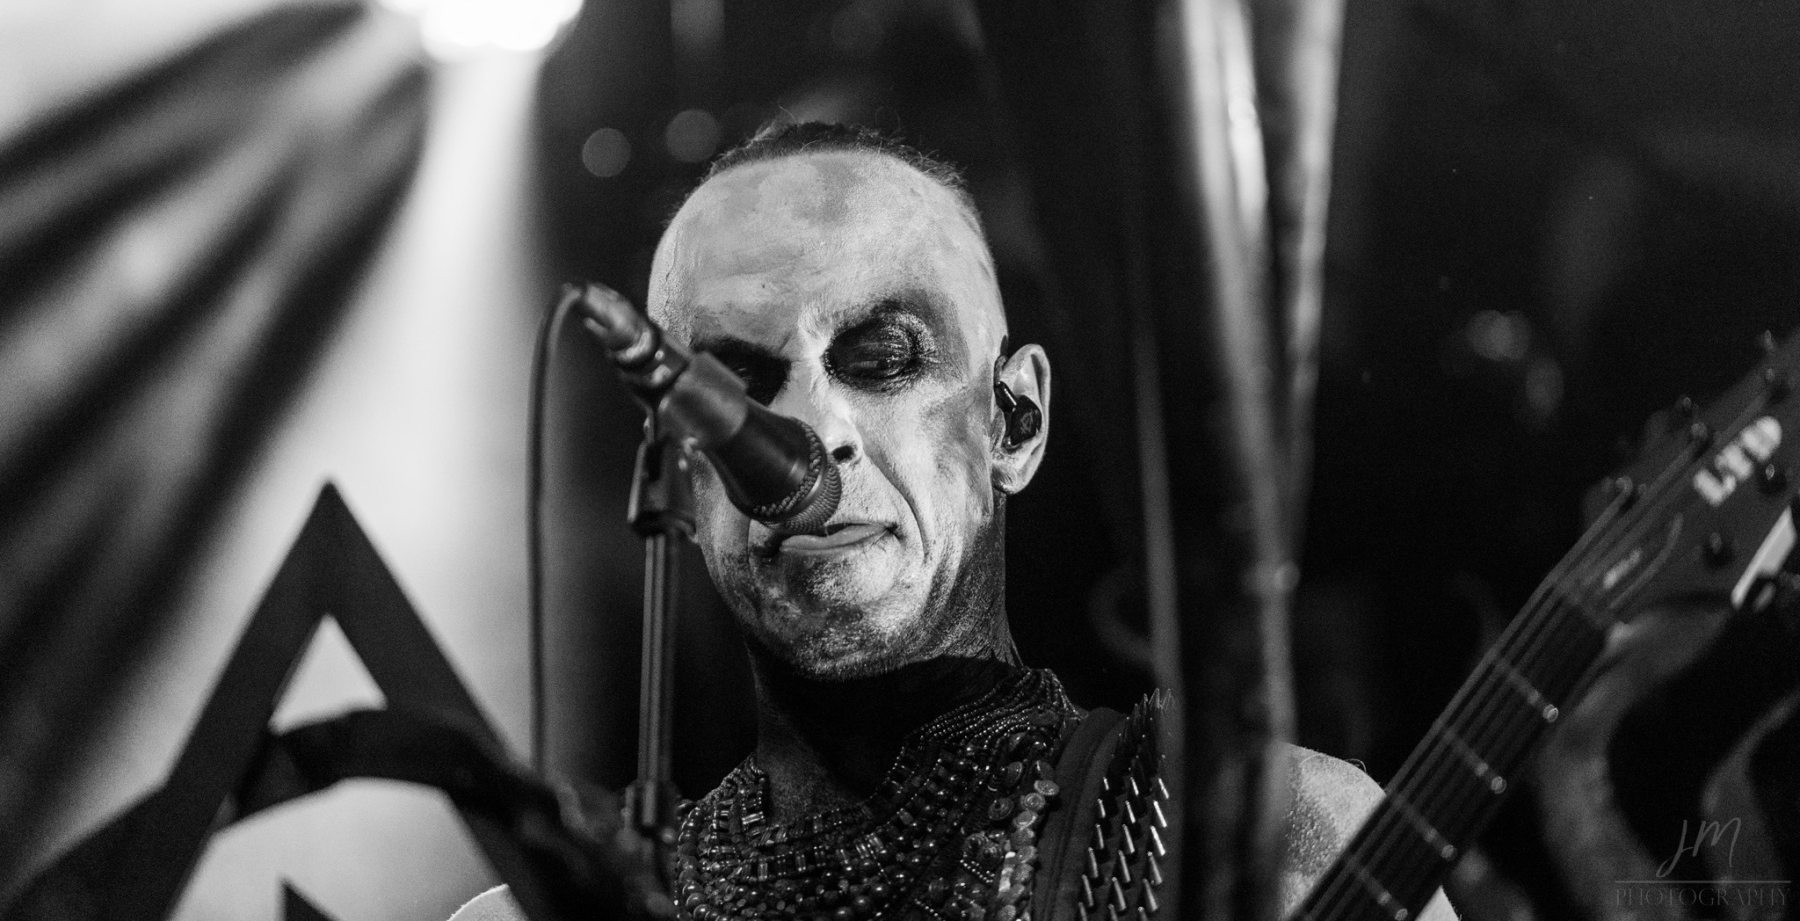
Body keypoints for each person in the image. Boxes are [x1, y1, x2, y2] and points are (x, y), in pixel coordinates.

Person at [453, 122, 1452, 921]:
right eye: (734, 387)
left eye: (880, 360)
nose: (812, 432)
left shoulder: (1280, 838)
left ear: (1015, 422)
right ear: (681, 458)